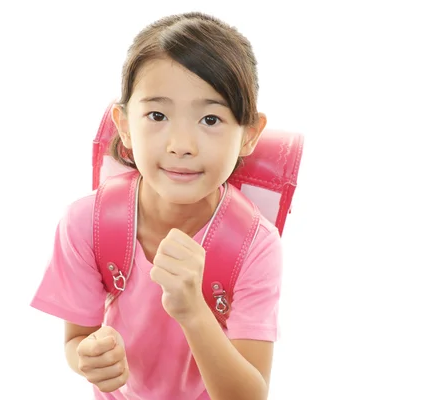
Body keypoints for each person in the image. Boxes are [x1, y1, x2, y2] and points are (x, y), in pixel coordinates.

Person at [30, 11, 283, 400]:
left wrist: (193, 311)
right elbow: (77, 339)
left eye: (211, 119)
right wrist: (89, 359)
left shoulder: (255, 245)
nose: (181, 143)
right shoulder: (88, 223)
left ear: (249, 135)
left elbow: (249, 395)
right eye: (157, 115)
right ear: (125, 124)